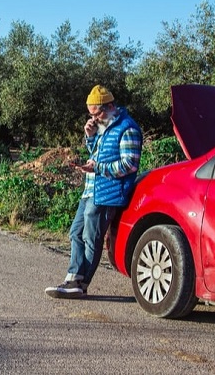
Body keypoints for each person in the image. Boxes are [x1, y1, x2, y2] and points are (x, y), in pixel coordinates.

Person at [45, 85, 142, 299]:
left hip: (108, 192)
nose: (94, 118)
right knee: (75, 233)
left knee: (91, 237)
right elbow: (98, 154)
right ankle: (73, 278)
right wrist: (90, 138)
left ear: (109, 107)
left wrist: (97, 168)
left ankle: (80, 282)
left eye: (96, 113)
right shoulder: (103, 127)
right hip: (90, 190)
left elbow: (129, 165)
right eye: (91, 114)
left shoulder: (127, 129)